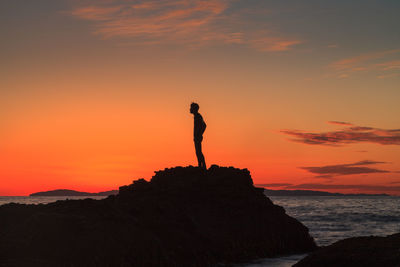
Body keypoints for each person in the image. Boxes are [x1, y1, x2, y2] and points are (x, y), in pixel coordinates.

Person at [190, 102, 206, 169]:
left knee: (199, 152)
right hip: (196, 137)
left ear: (194, 109)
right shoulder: (196, 116)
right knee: (198, 152)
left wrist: (199, 134)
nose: (190, 109)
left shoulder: (198, 116)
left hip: (198, 137)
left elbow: (204, 125)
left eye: (191, 108)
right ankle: (200, 165)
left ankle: (203, 166)